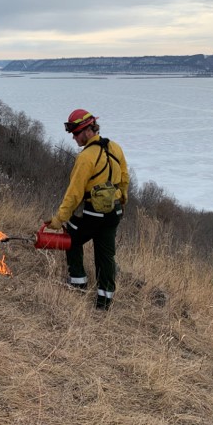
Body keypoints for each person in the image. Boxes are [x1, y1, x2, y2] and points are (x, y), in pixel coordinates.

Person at [45, 109, 129, 310]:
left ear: (87, 130)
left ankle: (78, 282)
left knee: (71, 238)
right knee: (106, 256)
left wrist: (58, 220)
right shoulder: (115, 148)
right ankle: (104, 301)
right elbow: (124, 179)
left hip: (93, 213)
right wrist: (122, 201)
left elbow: (74, 194)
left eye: (75, 133)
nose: (73, 138)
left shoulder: (86, 158)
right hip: (114, 212)